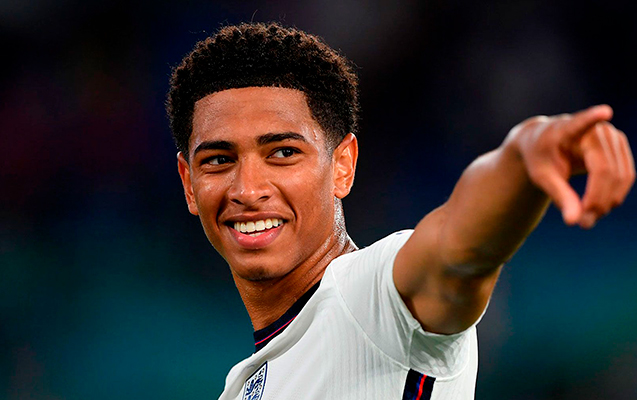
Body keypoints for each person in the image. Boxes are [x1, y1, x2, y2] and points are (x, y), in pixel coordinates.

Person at [166, 22, 634, 400]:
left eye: (284, 153)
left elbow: (457, 248)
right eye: (219, 160)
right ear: (189, 183)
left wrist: (521, 157)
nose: (248, 189)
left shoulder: (370, 297)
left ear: (343, 166)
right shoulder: (244, 385)